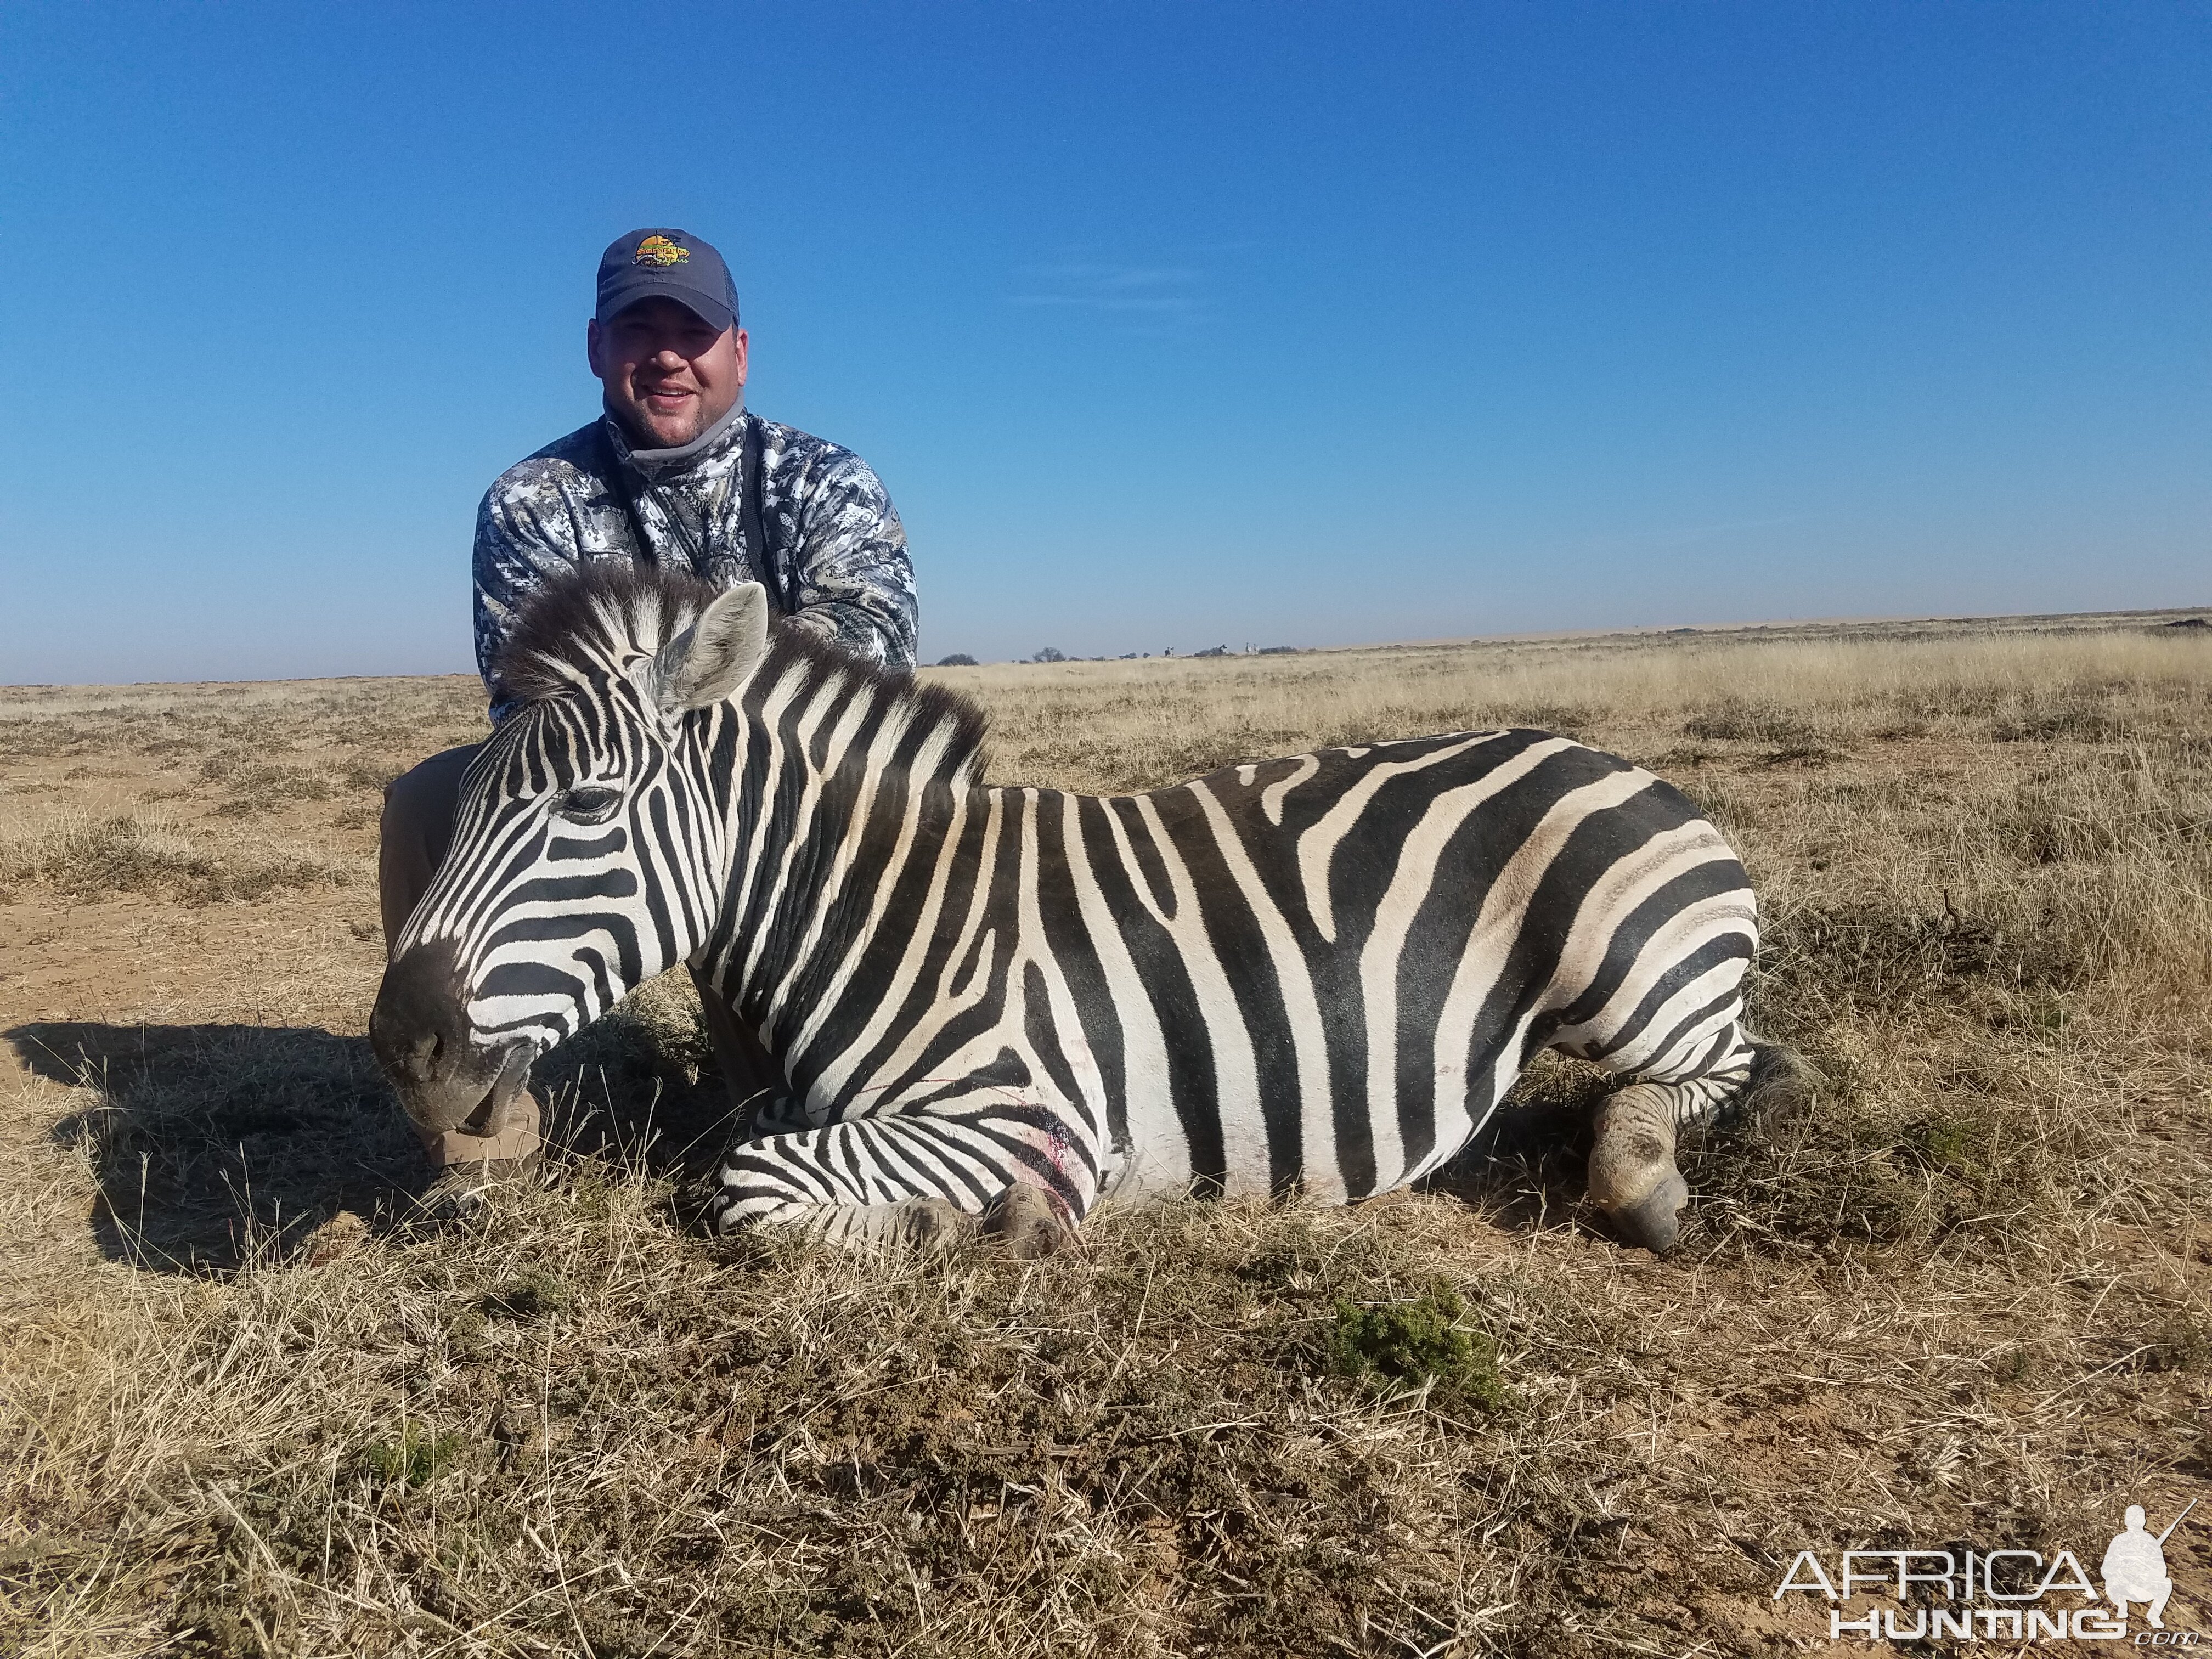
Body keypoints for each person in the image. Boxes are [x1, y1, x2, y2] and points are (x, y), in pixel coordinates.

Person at [379, 226, 917, 1169]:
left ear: (738, 352)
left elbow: (876, 664)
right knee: (432, 798)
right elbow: (531, 710)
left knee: (805, 1111)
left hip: (770, 824)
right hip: (608, 791)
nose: (666, 355)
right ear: (596, 348)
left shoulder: (825, 480)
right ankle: (475, 1115)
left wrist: (702, 740)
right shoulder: (532, 499)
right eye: (637, 331)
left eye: (693, 330)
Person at [2101, 1505, 2174, 1628]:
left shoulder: (2148, 1541)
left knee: (2166, 1583)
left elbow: (2161, 1570)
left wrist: (2144, 1573)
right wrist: (2123, 1572)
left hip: (2141, 1589)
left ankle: (2153, 1615)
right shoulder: (2121, 1540)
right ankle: (2122, 1605)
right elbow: (2106, 1569)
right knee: (2112, 1581)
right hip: (2125, 1588)